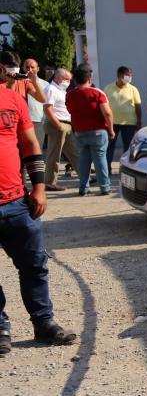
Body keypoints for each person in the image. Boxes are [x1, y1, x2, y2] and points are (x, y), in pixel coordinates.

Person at [0, 73, 77, 353]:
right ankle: (0, 327)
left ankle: (43, 323)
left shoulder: (12, 100)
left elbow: (31, 145)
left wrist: (39, 188)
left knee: (34, 265)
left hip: (17, 202)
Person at [65, 66, 114, 196]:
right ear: (90, 79)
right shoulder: (97, 93)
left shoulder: (70, 94)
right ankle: (104, 187)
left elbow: (70, 110)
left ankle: (83, 188)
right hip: (98, 131)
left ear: (75, 80)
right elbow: (107, 113)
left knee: (83, 160)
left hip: (80, 131)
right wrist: (111, 129)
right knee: (100, 159)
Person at [42, 68, 77, 191]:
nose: (68, 82)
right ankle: (49, 182)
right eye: (66, 79)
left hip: (65, 124)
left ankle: (85, 177)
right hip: (57, 124)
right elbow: (47, 108)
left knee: (75, 153)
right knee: (54, 154)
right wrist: (57, 125)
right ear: (58, 78)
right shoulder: (51, 89)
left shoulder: (61, 90)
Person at [103, 66, 141, 168]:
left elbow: (138, 106)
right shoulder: (108, 88)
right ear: (120, 75)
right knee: (109, 147)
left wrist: (139, 121)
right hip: (112, 123)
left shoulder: (133, 89)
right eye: (127, 75)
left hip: (129, 123)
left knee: (128, 148)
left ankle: (126, 168)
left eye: (130, 76)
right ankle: (107, 169)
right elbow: (103, 105)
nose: (129, 78)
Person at [22, 57, 50, 149]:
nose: (30, 69)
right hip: (22, 121)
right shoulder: (18, 82)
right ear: (23, 68)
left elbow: (48, 103)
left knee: (37, 149)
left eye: (32, 67)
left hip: (39, 120)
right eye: (27, 67)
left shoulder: (45, 84)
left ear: (37, 69)